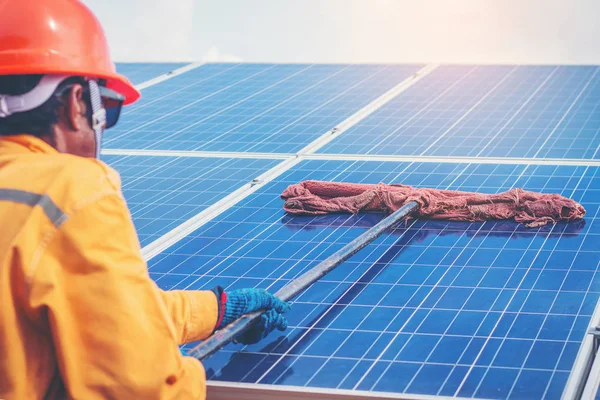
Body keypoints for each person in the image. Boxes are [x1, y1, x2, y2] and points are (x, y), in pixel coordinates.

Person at [0, 1, 290, 399]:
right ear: (77, 104)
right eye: (108, 108)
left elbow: (106, 317)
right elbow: (139, 386)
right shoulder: (68, 192)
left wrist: (220, 310)